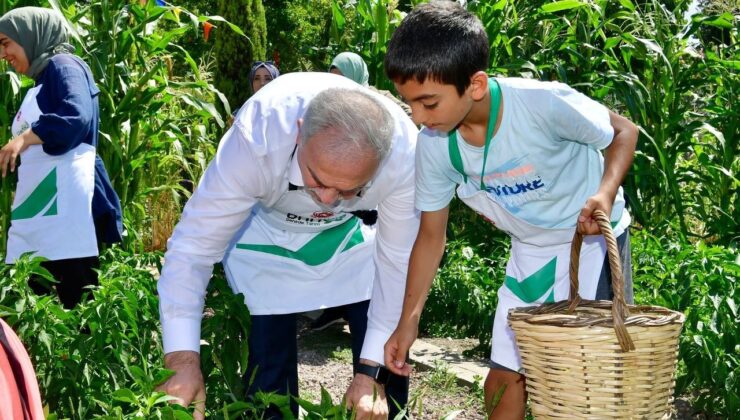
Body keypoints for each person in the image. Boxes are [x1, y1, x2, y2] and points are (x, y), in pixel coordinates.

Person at [382, 2, 638, 419]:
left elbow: (624, 132)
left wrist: (605, 195)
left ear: (476, 85)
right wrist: (408, 321)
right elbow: (431, 236)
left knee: (588, 379)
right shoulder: (434, 145)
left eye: (428, 103)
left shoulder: (541, 105)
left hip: (589, 242)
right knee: (504, 376)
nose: (417, 116)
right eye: (409, 103)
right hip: (531, 249)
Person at [157, 72, 419, 419]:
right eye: (318, 178)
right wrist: (181, 359)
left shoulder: (404, 155)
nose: (326, 199)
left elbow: (398, 264)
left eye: (348, 189)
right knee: (269, 374)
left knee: (386, 367)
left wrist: (372, 374)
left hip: (348, 237)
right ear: (299, 132)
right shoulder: (258, 136)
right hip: (266, 231)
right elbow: (192, 250)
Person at [0, 7, 122, 309]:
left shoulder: (63, 65)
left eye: (5, 43)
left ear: (30, 36)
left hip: (66, 212)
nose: (3, 53)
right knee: (32, 304)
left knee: (77, 306)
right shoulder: (41, 80)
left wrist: (24, 139)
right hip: (45, 210)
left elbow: (75, 115)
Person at [330, 51, 412, 118]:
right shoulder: (331, 101)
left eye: (343, 78)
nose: (338, 82)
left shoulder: (378, 96)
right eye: (333, 78)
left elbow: (408, 113)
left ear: (356, 74)